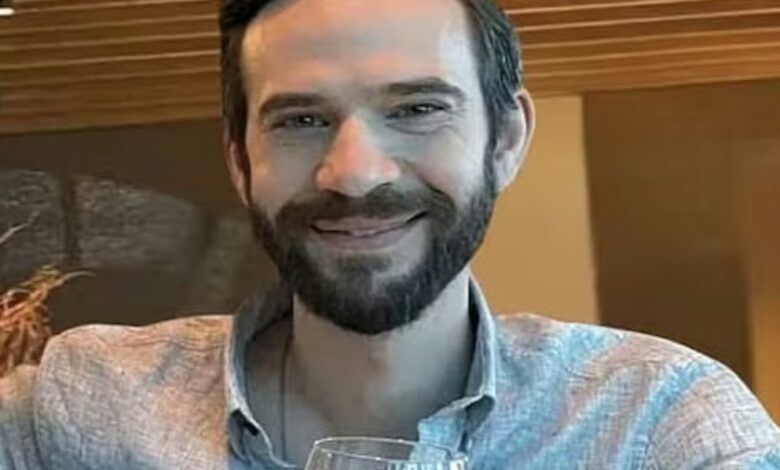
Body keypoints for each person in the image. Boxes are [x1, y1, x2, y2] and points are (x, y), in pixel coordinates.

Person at [2, 0, 779, 468]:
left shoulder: (654, 423)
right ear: (240, 160)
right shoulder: (85, 406)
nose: (354, 173)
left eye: (416, 109)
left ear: (506, 138)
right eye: (300, 120)